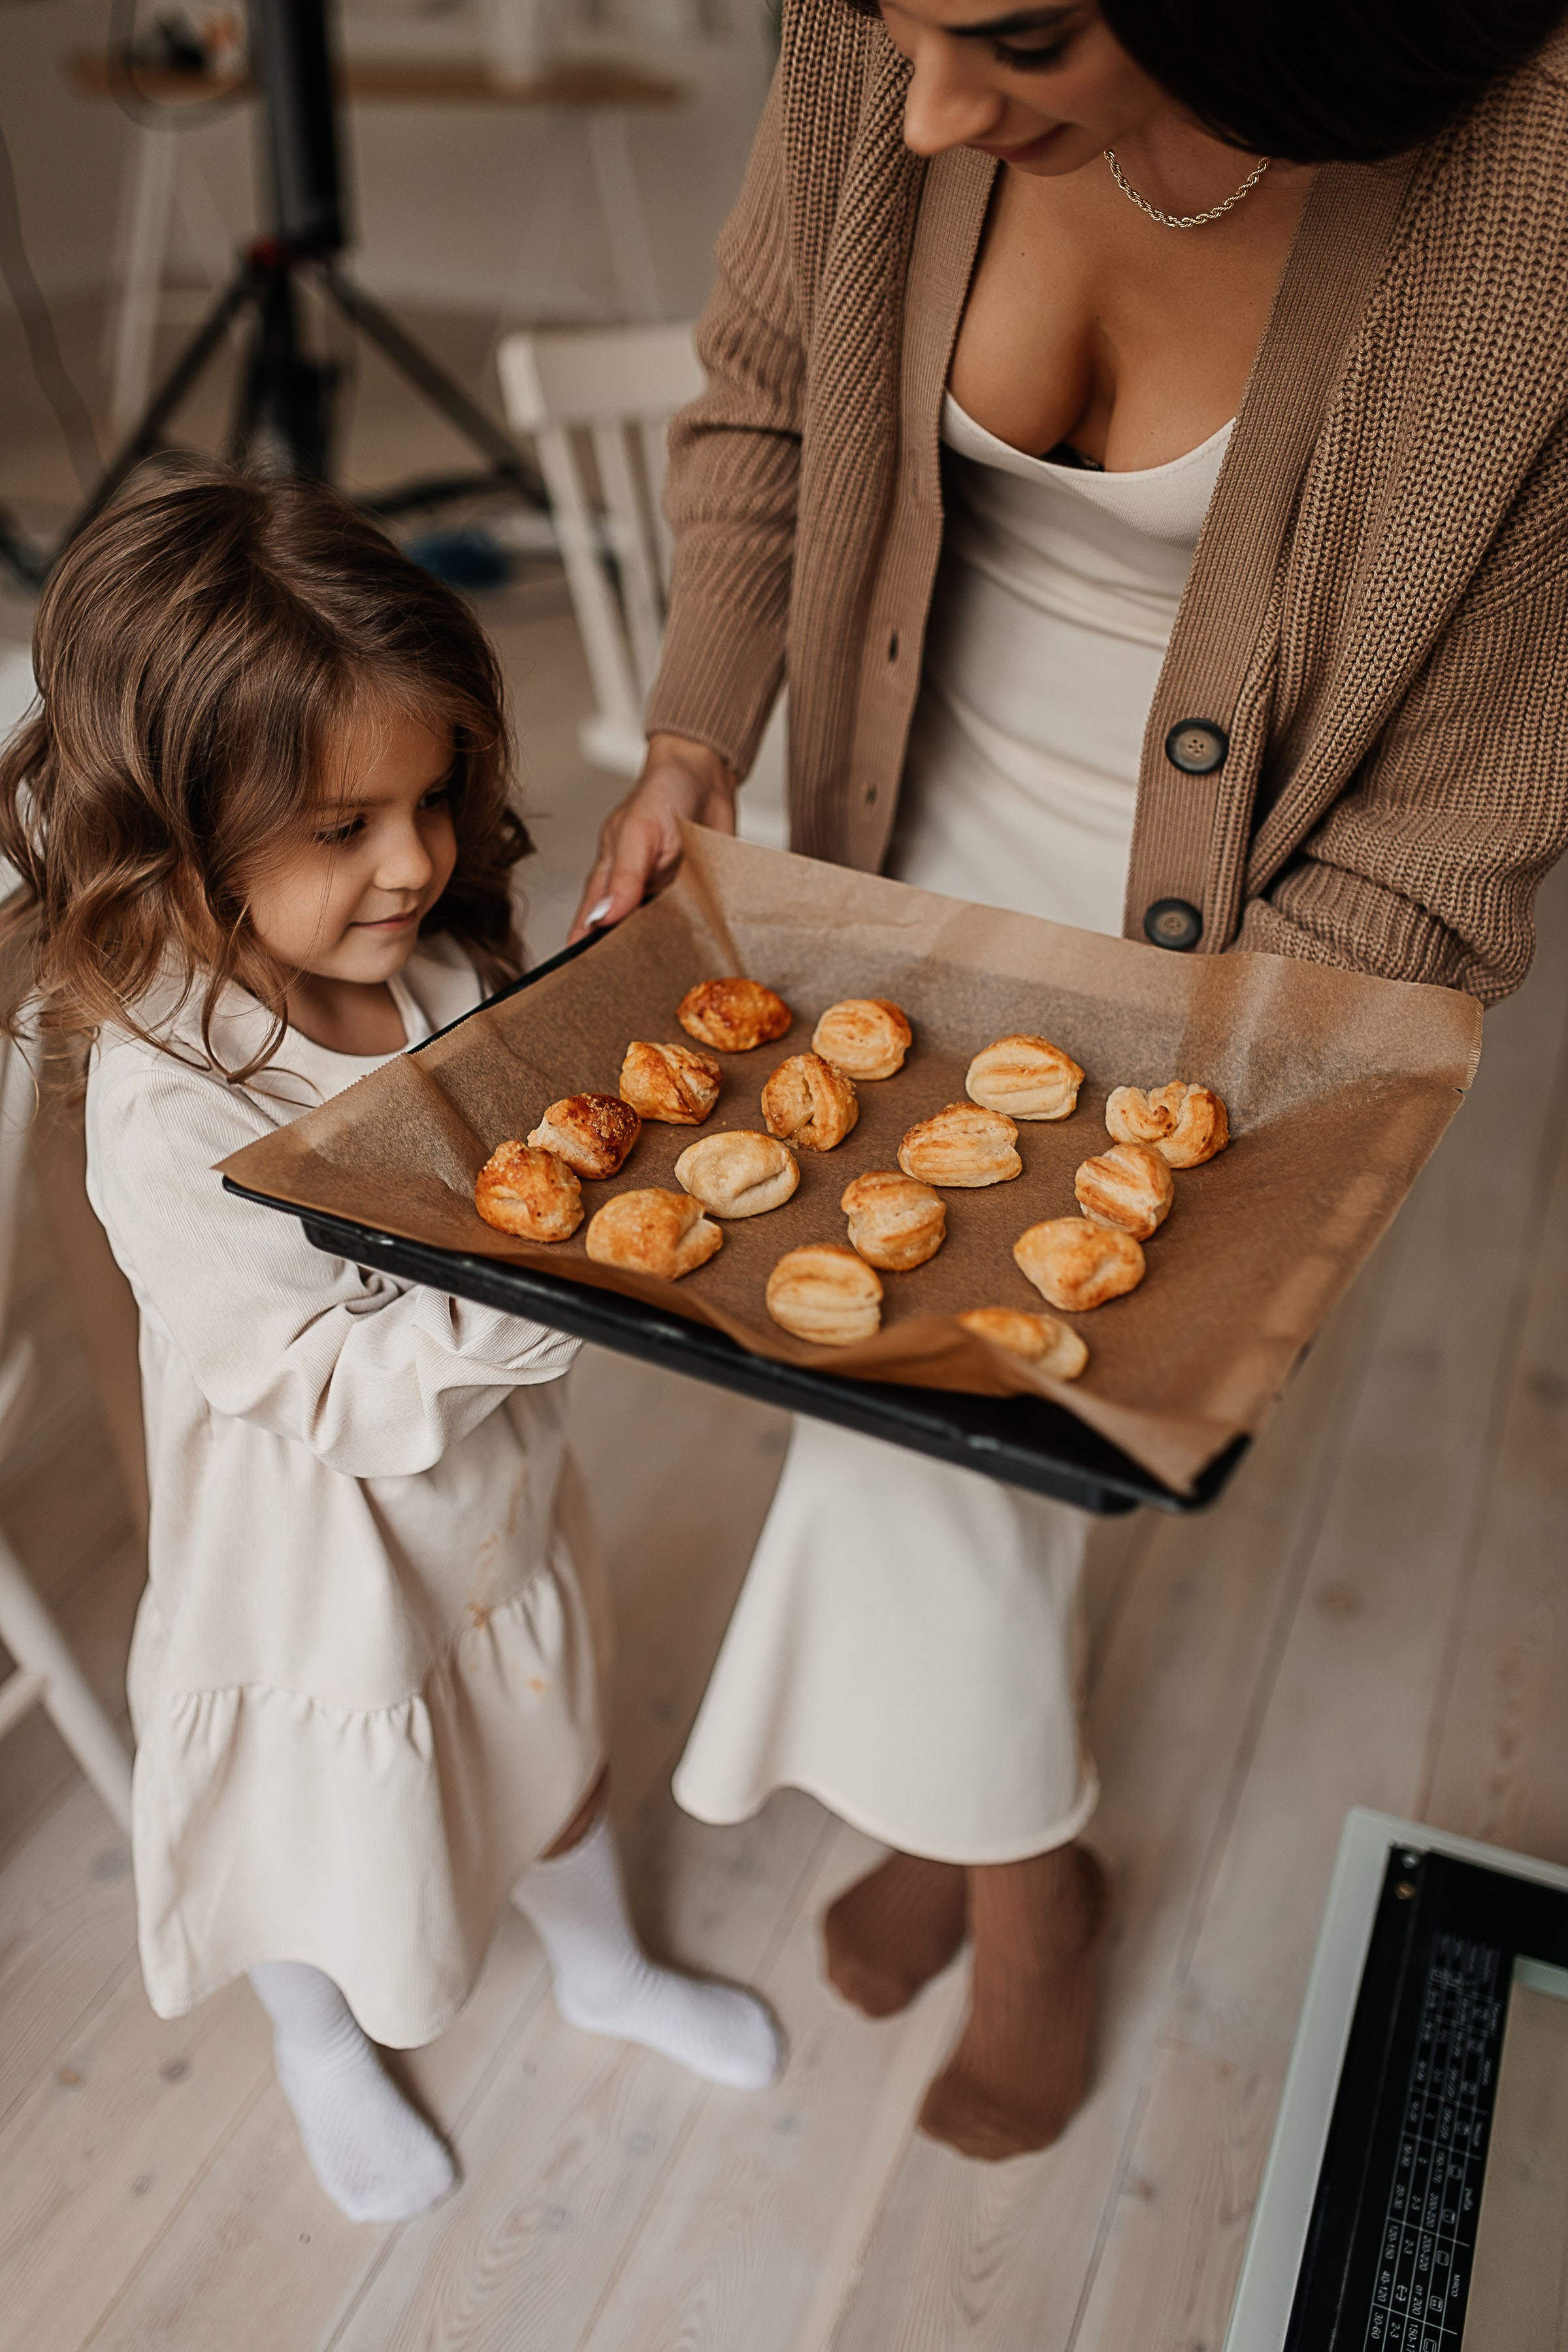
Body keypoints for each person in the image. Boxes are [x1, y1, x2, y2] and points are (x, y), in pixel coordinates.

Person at [570, 0, 1568, 2161]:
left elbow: (1486, 774)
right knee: (904, 1390)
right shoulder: (895, 23)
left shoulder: (1537, 185)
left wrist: (1248, 1088)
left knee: (949, 1404)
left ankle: (1019, 1877)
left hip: (1246, 922)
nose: (924, 113)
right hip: (878, 813)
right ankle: (982, 1822)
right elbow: (765, 407)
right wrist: (690, 734)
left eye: (1018, 37)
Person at [0, 461, 781, 2227]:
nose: (416, 861)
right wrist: (547, 1284)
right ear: (174, 833)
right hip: (311, 1569)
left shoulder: (428, 966)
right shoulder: (167, 1099)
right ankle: (317, 2043)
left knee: (544, 1736)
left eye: (431, 800)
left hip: (489, 1506)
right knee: (332, 1831)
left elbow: (509, 1151)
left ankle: (604, 1967)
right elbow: (317, 1380)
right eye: (343, 829)